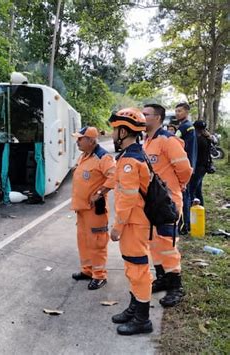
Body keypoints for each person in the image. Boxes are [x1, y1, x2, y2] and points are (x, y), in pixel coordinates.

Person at [108, 108, 153, 335]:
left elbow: (127, 197)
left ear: (124, 131)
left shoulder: (130, 161)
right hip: (134, 222)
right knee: (131, 267)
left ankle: (142, 319)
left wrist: (117, 227)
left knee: (138, 269)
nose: (113, 133)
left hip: (133, 223)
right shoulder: (132, 155)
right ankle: (135, 308)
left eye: (115, 129)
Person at [142, 104, 192, 307]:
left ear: (157, 118)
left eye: (145, 114)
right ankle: (162, 277)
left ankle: (175, 286)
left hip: (168, 202)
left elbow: (185, 169)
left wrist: (178, 187)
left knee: (168, 243)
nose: (142, 117)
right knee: (154, 241)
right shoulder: (146, 141)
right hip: (152, 202)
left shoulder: (168, 141)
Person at [70, 126, 116, 290]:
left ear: (90, 140)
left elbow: (114, 177)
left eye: (80, 139)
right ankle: (88, 271)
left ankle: (99, 275)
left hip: (95, 210)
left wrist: (100, 192)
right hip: (82, 208)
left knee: (97, 243)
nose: (77, 142)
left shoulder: (103, 157)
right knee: (83, 241)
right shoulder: (84, 156)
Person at [174, 103, 197, 234]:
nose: (177, 113)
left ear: (187, 112)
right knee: (185, 195)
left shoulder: (187, 128)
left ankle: (184, 225)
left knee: (185, 196)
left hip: (185, 167)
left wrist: (190, 167)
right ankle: (185, 224)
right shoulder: (182, 127)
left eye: (180, 111)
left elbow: (189, 149)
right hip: (185, 166)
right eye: (176, 111)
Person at [189, 120, 212, 206]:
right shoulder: (207, 138)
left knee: (191, 190)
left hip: (198, 168)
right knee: (198, 189)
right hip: (203, 167)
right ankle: (201, 206)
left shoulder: (199, 140)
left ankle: (192, 207)